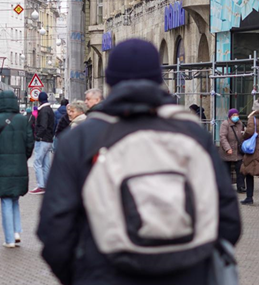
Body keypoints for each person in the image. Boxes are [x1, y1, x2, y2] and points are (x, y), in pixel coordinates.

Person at [38, 39, 241, 285]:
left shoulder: (80, 138)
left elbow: (54, 229)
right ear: (158, 79)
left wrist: (85, 274)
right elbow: (228, 219)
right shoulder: (192, 133)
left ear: (110, 82)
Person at [0, 91, 34, 248]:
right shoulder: (23, 120)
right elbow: (30, 143)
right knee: (15, 197)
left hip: (1, 164)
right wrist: (23, 157)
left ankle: (9, 238)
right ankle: (17, 231)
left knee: (5, 200)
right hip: (18, 164)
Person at [30, 92, 54, 195]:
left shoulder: (43, 111)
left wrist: (37, 136)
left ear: (39, 100)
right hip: (48, 139)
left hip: (42, 140)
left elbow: (42, 125)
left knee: (37, 163)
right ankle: (47, 184)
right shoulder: (49, 110)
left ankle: (41, 186)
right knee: (46, 163)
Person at [219, 108, 246, 193]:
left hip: (238, 151)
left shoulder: (240, 123)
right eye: (234, 115)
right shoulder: (225, 124)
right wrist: (227, 148)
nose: (236, 117)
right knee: (226, 171)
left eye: (237, 115)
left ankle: (241, 187)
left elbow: (242, 136)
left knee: (240, 170)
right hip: (227, 151)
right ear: (230, 116)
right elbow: (222, 137)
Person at [241, 100, 259, 205]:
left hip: (254, 150)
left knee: (249, 173)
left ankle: (249, 197)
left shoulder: (253, 118)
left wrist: (244, 137)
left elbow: (249, 131)